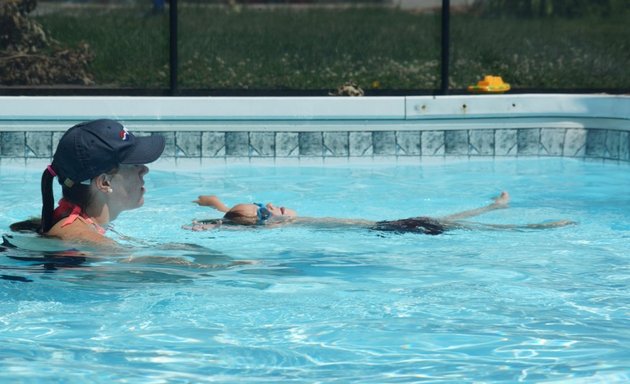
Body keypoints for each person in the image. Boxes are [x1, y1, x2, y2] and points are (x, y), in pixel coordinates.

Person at [10, 119, 165, 246]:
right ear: (105, 183)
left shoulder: (80, 224)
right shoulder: (84, 238)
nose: (145, 170)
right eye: (135, 164)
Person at [185, 192, 576, 234]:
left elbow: (232, 218)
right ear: (270, 223)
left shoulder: (262, 222)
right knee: (457, 223)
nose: (274, 205)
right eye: (268, 210)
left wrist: (212, 208)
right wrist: (217, 219)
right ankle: (531, 227)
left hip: (386, 228)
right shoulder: (293, 224)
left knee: (454, 220)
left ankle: (495, 208)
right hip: (388, 229)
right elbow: (239, 222)